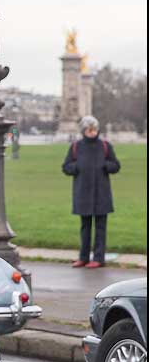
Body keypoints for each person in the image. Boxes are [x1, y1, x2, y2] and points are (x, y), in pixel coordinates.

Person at [62, 115, 121, 268]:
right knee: (85, 227)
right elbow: (66, 167)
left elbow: (116, 165)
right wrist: (77, 167)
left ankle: (99, 258)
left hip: (101, 193)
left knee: (101, 228)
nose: (93, 132)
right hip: (83, 193)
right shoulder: (76, 147)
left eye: (94, 129)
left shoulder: (105, 146)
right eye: (89, 129)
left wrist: (106, 165)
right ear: (83, 130)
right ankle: (83, 257)